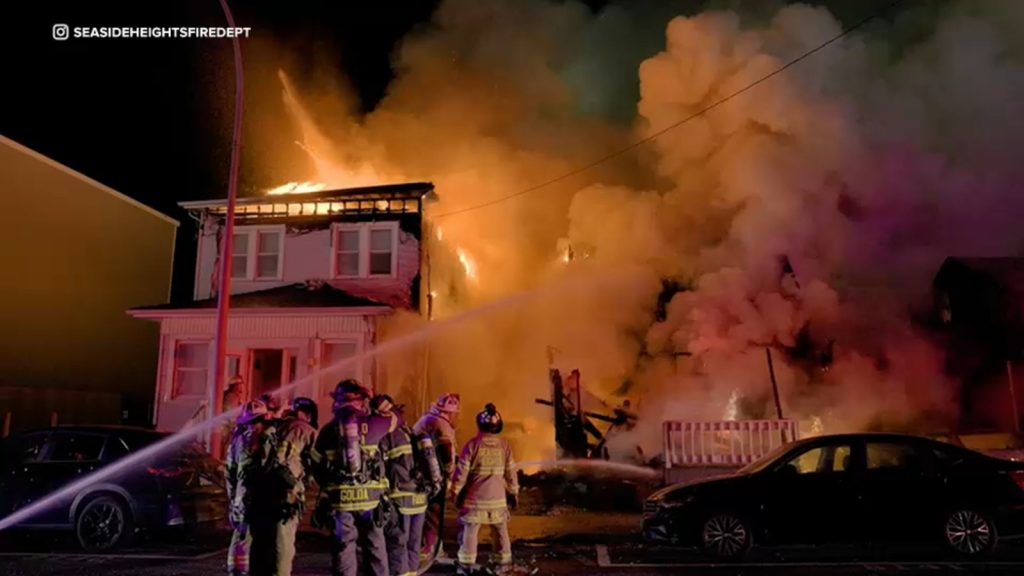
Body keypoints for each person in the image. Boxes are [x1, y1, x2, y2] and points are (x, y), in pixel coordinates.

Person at [314, 379, 390, 576]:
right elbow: (396, 418)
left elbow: (316, 466)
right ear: (360, 401)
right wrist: (374, 399)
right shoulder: (373, 424)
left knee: (344, 548)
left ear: (337, 402)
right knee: (375, 547)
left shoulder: (327, 431)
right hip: (371, 501)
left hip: (341, 503)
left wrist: (330, 488)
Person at [248, 397, 319, 576]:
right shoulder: (307, 430)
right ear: (309, 415)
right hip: (285, 498)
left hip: (259, 496)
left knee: (261, 546)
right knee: (283, 547)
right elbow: (319, 465)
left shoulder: (270, 427)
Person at [449, 403, 519, 575]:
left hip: (475, 501)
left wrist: (455, 492)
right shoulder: (504, 446)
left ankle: (466, 566)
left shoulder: (472, 445)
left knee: (471, 530)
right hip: (498, 500)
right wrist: (514, 492)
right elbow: (511, 472)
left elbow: (461, 472)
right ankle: (503, 564)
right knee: (500, 530)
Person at [372, 394, 429, 576]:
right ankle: (412, 573)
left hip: (400, 498)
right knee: (414, 542)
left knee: (398, 543)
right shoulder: (410, 431)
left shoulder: (387, 436)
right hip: (420, 497)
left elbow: (380, 467)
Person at [225, 399, 272, 576]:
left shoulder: (237, 442)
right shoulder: (270, 439)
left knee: (241, 538)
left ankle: (238, 571)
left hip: (242, 501)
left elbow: (229, 473)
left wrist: (232, 500)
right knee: (257, 539)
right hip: (263, 501)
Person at [412, 393, 460, 560]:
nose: (457, 417)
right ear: (449, 412)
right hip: (431, 476)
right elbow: (445, 450)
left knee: (427, 512)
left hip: (422, 473)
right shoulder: (441, 424)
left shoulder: (430, 419)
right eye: (455, 413)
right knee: (434, 512)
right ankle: (430, 550)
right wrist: (448, 473)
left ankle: (429, 547)